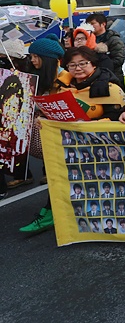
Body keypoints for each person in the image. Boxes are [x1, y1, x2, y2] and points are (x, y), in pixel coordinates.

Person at [17, 38, 66, 233]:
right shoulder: (38, 79)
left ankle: (50, 212)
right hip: (48, 135)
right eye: (31, 56)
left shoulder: (63, 80)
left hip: (61, 136)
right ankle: (51, 211)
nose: (33, 60)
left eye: (36, 56)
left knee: (58, 176)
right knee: (56, 176)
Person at [57, 46, 125, 120]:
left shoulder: (108, 88)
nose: (77, 68)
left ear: (93, 65)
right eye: (72, 65)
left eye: (82, 64)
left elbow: (115, 117)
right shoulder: (60, 87)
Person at [85, 13, 125, 82]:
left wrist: (101, 65)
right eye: (88, 24)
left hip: (112, 77)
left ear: (103, 24)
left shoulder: (113, 39)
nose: (90, 26)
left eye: (93, 23)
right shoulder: (87, 40)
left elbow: (119, 60)